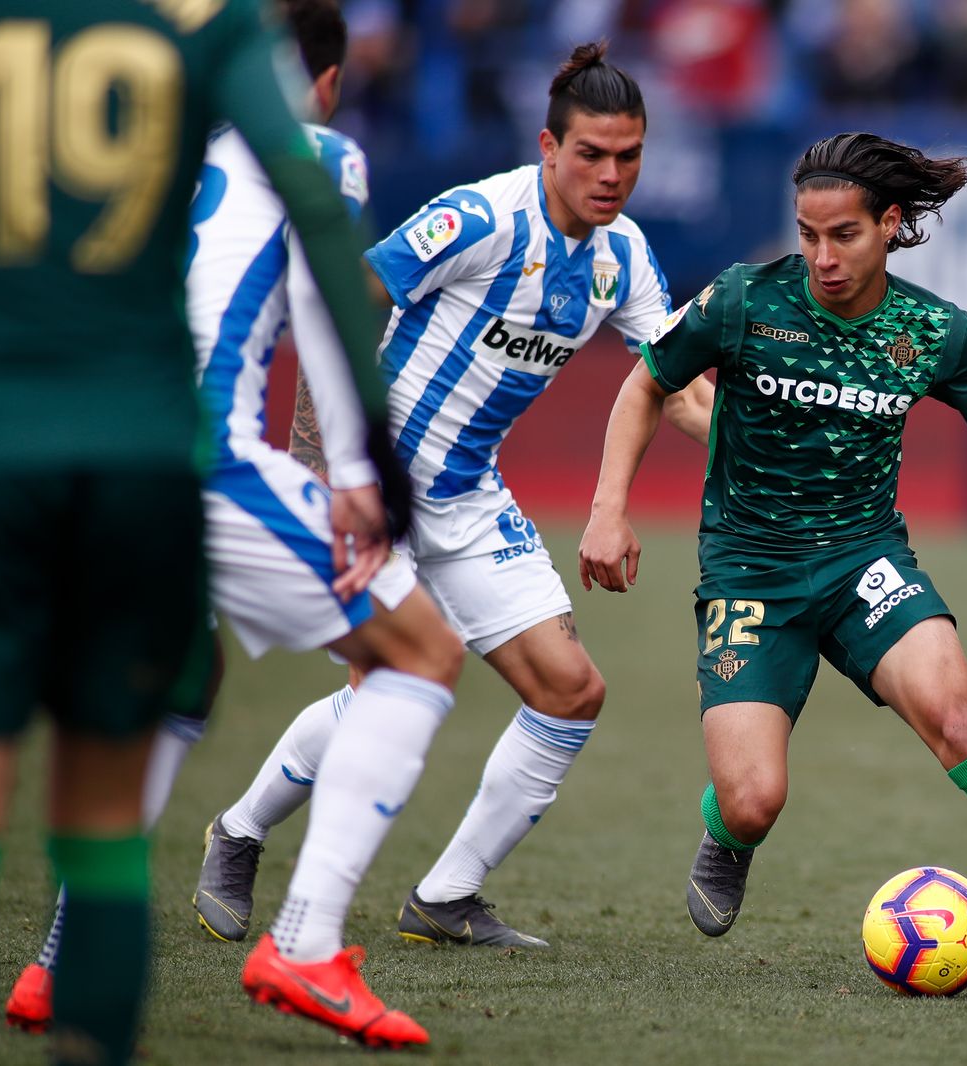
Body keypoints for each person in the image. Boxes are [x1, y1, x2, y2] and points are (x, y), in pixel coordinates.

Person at [0, 1, 403, 1062]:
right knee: (97, 822)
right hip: (146, 452)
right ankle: (269, 955)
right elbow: (319, 213)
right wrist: (373, 459)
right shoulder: (203, 28)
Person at [578, 132, 967, 1004]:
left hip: (864, 561)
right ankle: (728, 835)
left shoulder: (936, 331)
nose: (822, 256)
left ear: (891, 225)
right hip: (749, 572)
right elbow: (647, 383)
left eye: (843, 235)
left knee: (960, 719)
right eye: (808, 234)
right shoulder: (740, 300)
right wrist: (609, 508)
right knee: (755, 798)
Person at [192, 39, 713, 952]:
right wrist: (324, 468)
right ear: (548, 148)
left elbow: (674, 386)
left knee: (570, 689)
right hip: (377, 482)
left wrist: (761, 446)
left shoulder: (623, 257)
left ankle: (447, 897)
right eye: (591, 153)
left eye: (629, 156)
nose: (612, 174)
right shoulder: (477, 218)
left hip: (468, 495)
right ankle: (237, 833)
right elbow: (343, 311)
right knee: (391, 681)